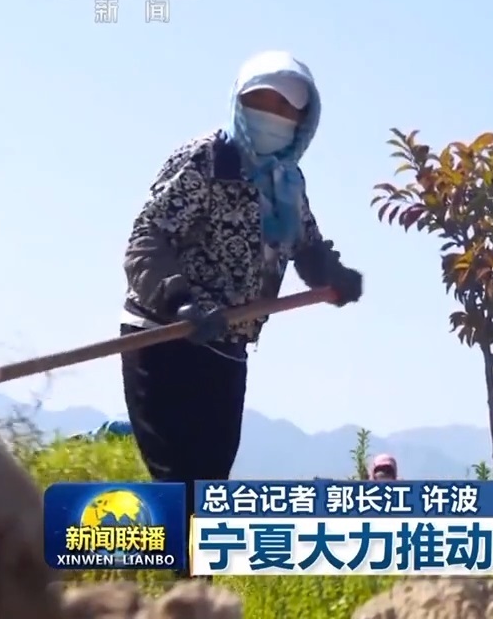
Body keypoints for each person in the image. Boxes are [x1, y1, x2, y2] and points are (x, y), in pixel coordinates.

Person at [119, 50, 364, 577]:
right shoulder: (204, 160)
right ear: (238, 101)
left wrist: (334, 275)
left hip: (227, 349)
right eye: (261, 102)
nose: (272, 116)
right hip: (164, 340)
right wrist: (180, 301)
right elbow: (146, 240)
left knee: (209, 489)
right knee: (181, 486)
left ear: (304, 121)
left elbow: (306, 248)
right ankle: (180, 596)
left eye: (285, 108)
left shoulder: (287, 183)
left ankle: (193, 593)